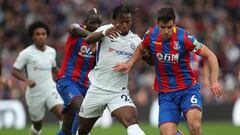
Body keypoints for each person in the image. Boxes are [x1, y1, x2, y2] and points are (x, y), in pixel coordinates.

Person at [113, 7, 222, 135]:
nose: (166, 31)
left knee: (194, 124)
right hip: (166, 94)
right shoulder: (151, 35)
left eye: (169, 27)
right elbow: (141, 48)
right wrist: (130, 63)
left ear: (174, 24)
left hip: (187, 90)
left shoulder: (185, 37)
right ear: (157, 24)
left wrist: (214, 81)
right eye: (163, 27)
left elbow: (211, 56)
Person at [78, 4, 145, 135]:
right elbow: (88, 39)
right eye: (121, 21)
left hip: (118, 93)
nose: (125, 24)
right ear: (115, 21)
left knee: (131, 121)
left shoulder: (136, 40)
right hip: (97, 89)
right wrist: (103, 33)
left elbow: (145, 58)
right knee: (83, 130)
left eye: (128, 21)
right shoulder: (106, 30)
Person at [12, 21, 63, 135]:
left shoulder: (51, 51)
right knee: (37, 125)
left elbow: (54, 68)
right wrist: (26, 80)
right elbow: (14, 70)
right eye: (38, 34)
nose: (41, 36)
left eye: (43, 34)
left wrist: (64, 77)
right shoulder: (26, 53)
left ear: (47, 36)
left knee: (62, 116)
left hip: (50, 89)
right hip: (35, 93)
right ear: (32, 36)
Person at [56, 8, 102, 135]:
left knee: (66, 130)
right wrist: (91, 37)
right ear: (85, 22)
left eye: (99, 23)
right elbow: (73, 28)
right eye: (93, 22)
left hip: (85, 87)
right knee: (84, 111)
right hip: (67, 81)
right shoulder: (77, 31)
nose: (96, 26)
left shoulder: (101, 41)